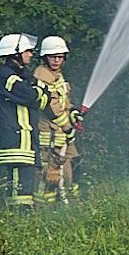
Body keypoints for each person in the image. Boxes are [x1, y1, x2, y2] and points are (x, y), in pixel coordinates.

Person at [0, 33, 43, 210]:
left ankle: (24, 215)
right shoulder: (3, 75)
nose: (31, 54)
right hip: (14, 139)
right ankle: (17, 217)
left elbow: (43, 97)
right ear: (15, 53)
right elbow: (30, 95)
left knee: (27, 182)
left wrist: (38, 93)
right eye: (27, 51)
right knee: (18, 186)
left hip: (26, 140)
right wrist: (37, 92)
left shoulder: (24, 75)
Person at [30, 35, 82, 204]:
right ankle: (43, 207)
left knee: (70, 165)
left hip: (61, 134)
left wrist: (72, 112)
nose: (56, 60)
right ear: (45, 57)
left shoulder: (57, 75)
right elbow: (50, 106)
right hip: (50, 133)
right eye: (53, 57)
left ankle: (71, 202)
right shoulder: (42, 75)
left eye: (60, 57)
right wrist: (67, 127)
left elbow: (63, 102)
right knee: (49, 172)